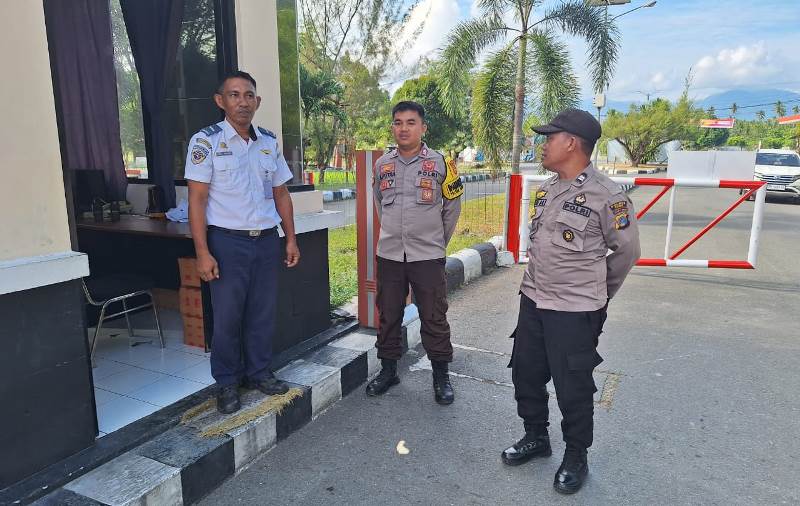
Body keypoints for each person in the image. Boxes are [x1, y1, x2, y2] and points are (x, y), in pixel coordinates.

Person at [501, 109, 640, 494]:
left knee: (572, 386)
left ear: (572, 143)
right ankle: (536, 436)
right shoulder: (548, 189)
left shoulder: (606, 195)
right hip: (533, 299)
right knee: (525, 372)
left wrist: (597, 295)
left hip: (575, 311)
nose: (543, 144)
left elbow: (627, 252)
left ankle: (576, 455)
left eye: (550, 138)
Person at [185, 71, 299, 414]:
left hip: (266, 241)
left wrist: (290, 239)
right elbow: (196, 201)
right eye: (234, 95)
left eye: (249, 95)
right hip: (227, 243)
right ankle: (226, 382)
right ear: (220, 101)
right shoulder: (206, 142)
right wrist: (202, 252)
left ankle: (259, 373)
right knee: (228, 317)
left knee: (262, 313)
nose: (242, 102)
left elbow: (281, 193)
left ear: (257, 101)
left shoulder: (268, 142)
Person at [366, 101, 463, 404]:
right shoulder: (382, 165)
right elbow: (380, 204)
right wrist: (394, 234)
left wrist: (436, 242)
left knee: (434, 316)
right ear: (392, 127)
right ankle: (388, 371)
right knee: (389, 314)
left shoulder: (442, 163)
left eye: (411, 122)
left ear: (423, 128)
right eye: (398, 123)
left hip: (427, 256)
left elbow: (452, 208)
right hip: (390, 255)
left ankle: (441, 376)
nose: (403, 128)